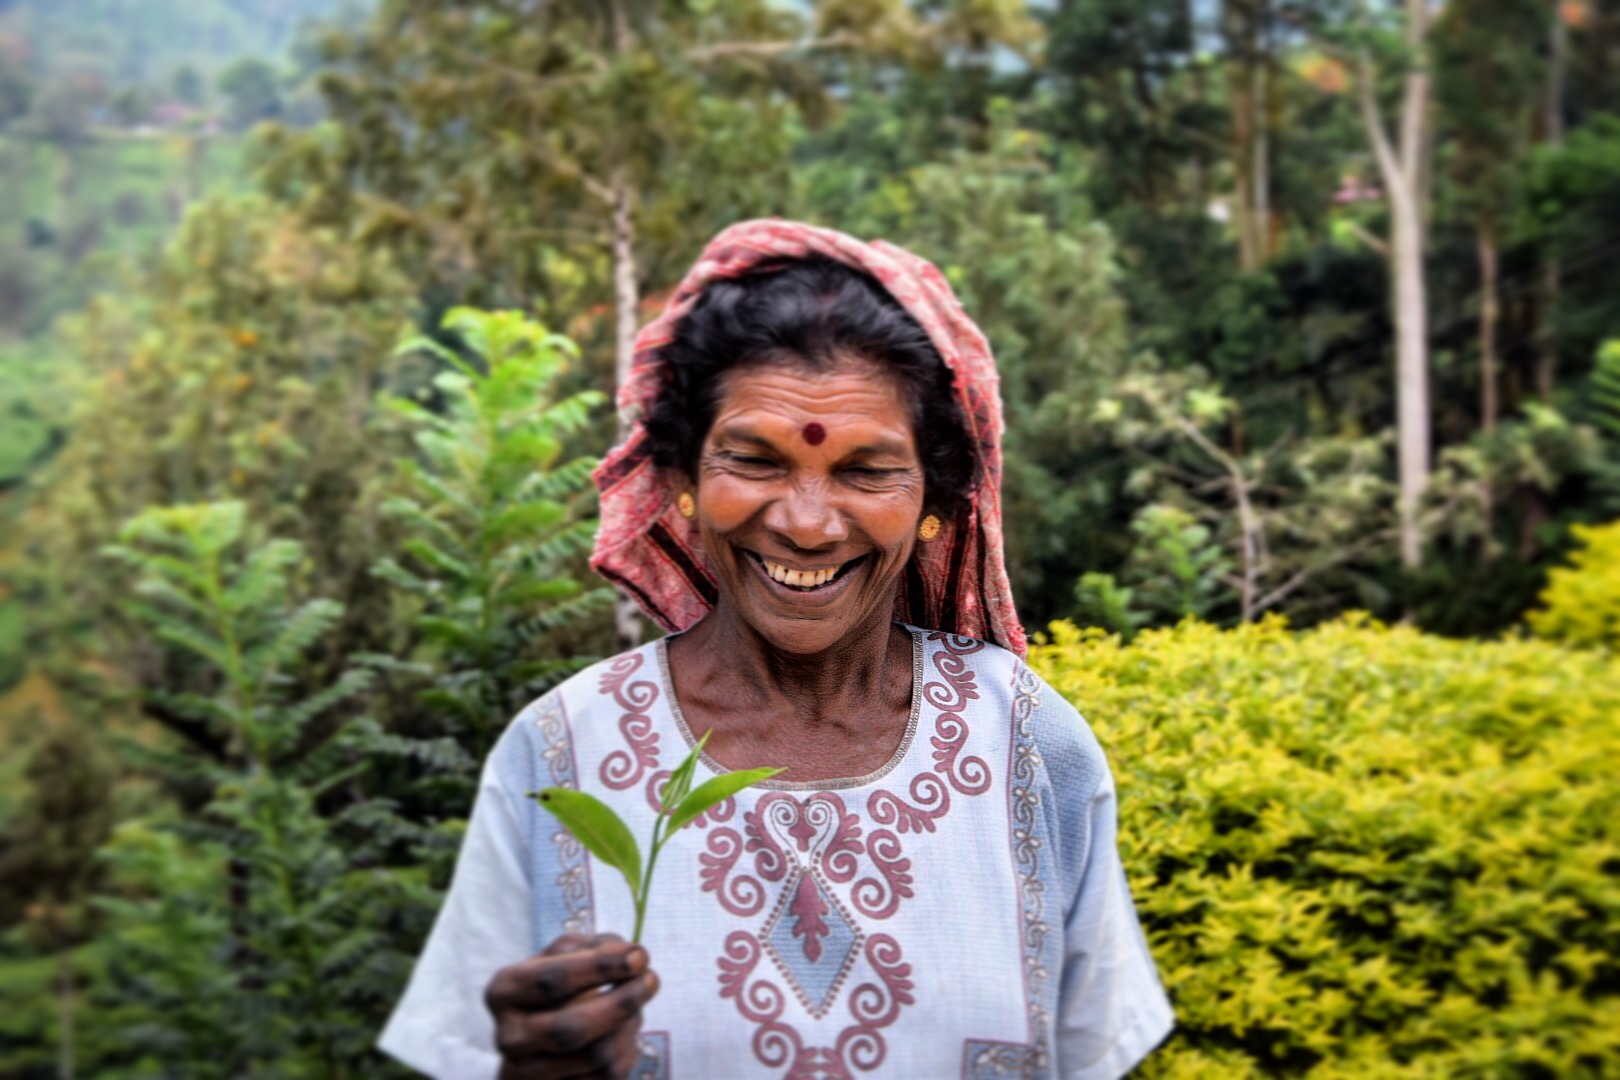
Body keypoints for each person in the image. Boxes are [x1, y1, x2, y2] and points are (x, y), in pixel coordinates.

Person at [378, 220, 1173, 1079]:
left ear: (934, 499)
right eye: (752, 460)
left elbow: (1094, 1053)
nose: (805, 523)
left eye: (868, 472)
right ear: (682, 478)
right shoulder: (565, 750)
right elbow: (475, 1047)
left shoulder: (1025, 742)